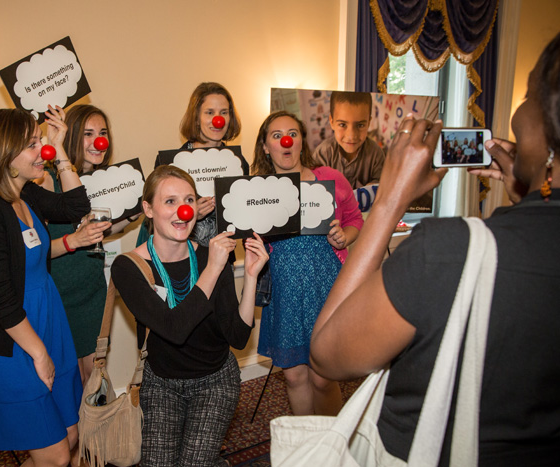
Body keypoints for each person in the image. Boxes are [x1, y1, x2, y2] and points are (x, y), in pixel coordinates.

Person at [310, 32, 560, 466]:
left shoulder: (449, 251)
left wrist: (391, 199)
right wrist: (533, 194)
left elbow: (328, 355)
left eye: (529, 92)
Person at [0, 108, 92, 466]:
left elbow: (77, 206)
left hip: (50, 323)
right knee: (55, 455)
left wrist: (61, 150)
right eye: (33, 144)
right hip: (15, 339)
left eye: (42, 140)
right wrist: (39, 353)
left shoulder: (25, 195)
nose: (43, 149)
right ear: (4, 153)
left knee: (70, 434)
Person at [111, 165, 268, 467]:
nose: (182, 211)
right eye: (170, 201)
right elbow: (174, 329)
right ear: (148, 209)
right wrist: (212, 269)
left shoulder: (211, 257)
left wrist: (249, 277)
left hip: (215, 380)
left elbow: (237, 336)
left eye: (189, 200)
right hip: (161, 381)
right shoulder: (128, 267)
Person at [250, 111, 363, 416]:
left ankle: (329, 447)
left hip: (325, 284)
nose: (285, 140)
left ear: (301, 140)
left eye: (292, 133)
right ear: (265, 146)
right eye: (276, 135)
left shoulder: (330, 178)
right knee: (294, 375)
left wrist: (344, 235)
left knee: (323, 376)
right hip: (285, 290)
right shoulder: (257, 191)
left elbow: (354, 219)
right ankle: (304, 448)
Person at [40, 104, 136, 383]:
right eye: (88, 133)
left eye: (103, 133)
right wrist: (73, 240)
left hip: (93, 289)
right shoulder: (47, 179)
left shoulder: (102, 181)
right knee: (67, 376)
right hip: (61, 293)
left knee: (93, 372)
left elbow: (96, 232)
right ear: (69, 136)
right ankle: (76, 428)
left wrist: (128, 218)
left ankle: (94, 427)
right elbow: (39, 249)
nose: (98, 142)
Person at [137, 82, 248, 250]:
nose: (218, 120)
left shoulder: (239, 163)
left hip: (222, 256)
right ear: (196, 118)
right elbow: (156, 216)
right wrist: (193, 213)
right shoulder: (169, 164)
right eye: (209, 112)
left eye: (223, 112)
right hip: (178, 255)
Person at [312, 91, 385, 189]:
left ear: (368, 123)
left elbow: (382, 188)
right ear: (332, 122)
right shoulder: (322, 154)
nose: (351, 136)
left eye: (360, 125)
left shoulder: (376, 154)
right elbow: (315, 192)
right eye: (342, 125)